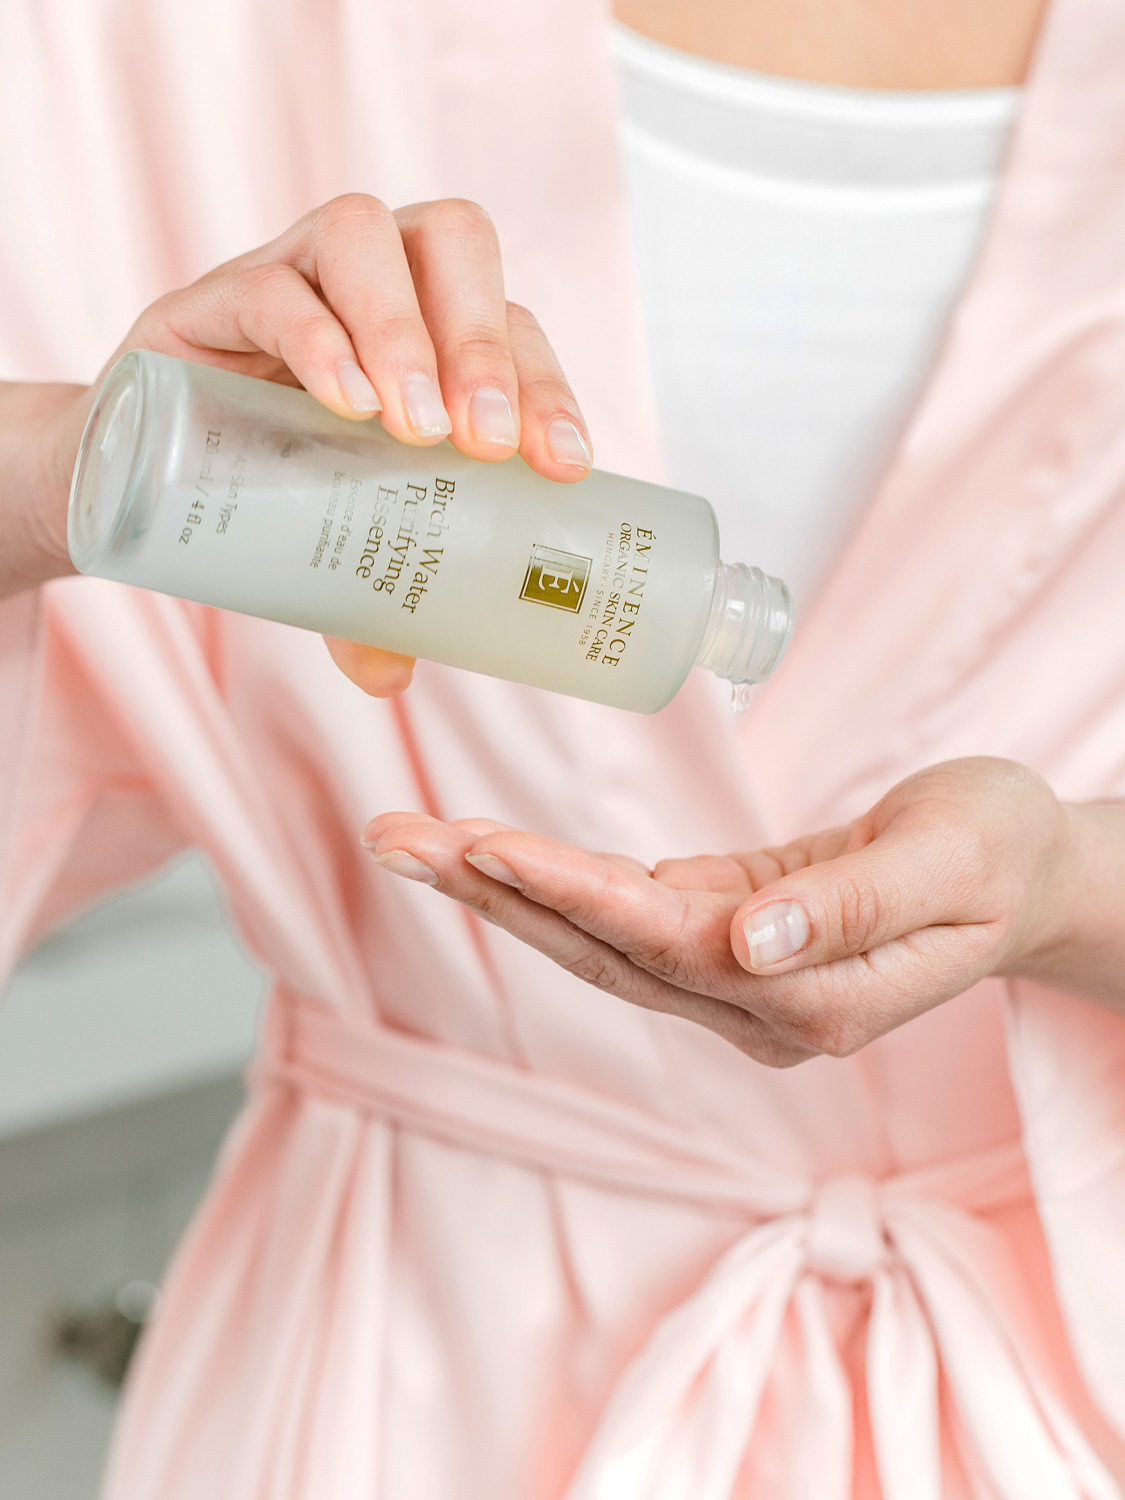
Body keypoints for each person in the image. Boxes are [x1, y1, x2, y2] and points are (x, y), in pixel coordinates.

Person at [3, 0, 1125, 1496]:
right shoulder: (133, 43)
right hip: (397, 1385)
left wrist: (1065, 889)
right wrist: (56, 467)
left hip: (1041, 1388)